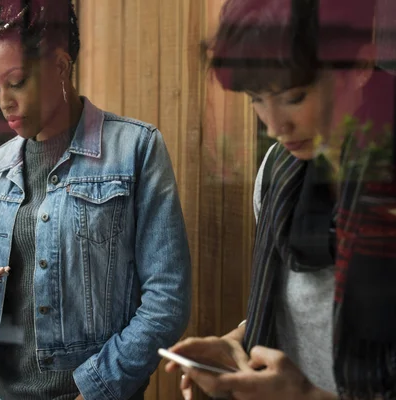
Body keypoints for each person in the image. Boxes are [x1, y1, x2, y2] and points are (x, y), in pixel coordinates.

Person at [0, 1, 192, 399]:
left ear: (61, 66)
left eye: (17, 81)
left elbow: (167, 299)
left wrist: (97, 388)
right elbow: (13, 293)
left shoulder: (135, 149)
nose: (4, 101)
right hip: (8, 390)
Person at [165, 0, 396, 399]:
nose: (274, 126)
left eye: (293, 97)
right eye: (256, 98)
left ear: (360, 63)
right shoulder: (279, 168)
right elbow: (303, 313)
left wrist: (304, 396)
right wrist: (238, 343)